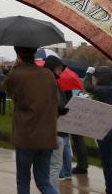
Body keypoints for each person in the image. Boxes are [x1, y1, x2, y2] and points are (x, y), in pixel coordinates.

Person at [3, 47, 59, 194]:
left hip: (26, 136)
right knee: (43, 182)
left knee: (23, 181)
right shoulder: (48, 74)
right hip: (47, 135)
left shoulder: (16, 74)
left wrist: (14, 69)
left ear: (18, 55)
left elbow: (8, 91)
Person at [85, 65, 112, 194]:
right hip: (108, 131)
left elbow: (88, 87)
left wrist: (88, 73)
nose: (94, 79)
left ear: (102, 78)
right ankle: (110, 190)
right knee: (107, 164)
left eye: (96, 77)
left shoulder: (107, 89)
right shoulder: (109, 89)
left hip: (109, 133)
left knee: (108, 166)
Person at [43, 57, 72, 187]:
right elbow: (57, 105)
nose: (61, 71)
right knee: (54, 167)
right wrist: (64, 110)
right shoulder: (52, 84)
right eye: (59, 68)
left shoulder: (44, 82)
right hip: (55, 129)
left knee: (49, 166)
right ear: (52, 68)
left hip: (47, 129)